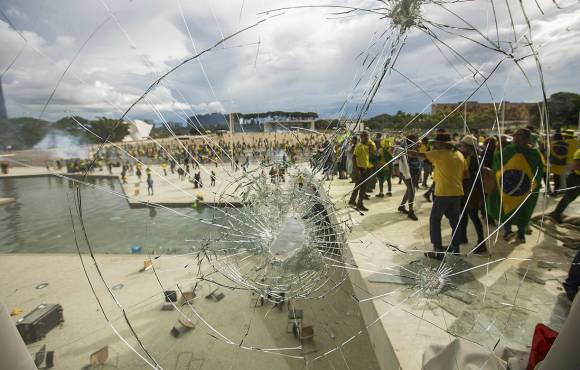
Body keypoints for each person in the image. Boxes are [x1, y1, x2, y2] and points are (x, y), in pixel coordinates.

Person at [411, 133, 467, 259]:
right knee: (455, 222)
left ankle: (438, 250)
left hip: (443, 193)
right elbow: (465, 173)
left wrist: (402, 151)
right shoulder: (459, 155)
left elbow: (417, 155)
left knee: (435, 220)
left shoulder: (440, 154)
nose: (434, 144)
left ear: (442, 144)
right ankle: (455, 247)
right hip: (457, 193)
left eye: (436, 143)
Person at [486, 128, 543, 245]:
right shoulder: (534, 153)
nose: (517, 138)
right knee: (523, 209)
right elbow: (539, 171)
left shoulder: (508, 150)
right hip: (524, 189)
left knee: (506, 208)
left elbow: (497, 161)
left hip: (508, 188)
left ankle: (508, 232)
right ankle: (520, 235)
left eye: (518, 136)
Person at [457, 135, 487, 254]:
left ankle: (481, 243)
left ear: (468, 147)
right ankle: (463, 237)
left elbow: (473, 177)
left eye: (462, 145)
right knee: (464, 214)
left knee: (473, 215)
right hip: (468, 190)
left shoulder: (475, 158)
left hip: (473, 191)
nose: (461, 147)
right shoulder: (471, 156)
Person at [550, 149, 580, 223]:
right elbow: (575, 165)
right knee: (569, 197)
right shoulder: (579, 152)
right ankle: (556, 213)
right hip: (576, 178)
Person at [348, 131, 375, 211]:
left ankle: (354, 201)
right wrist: (357, 170)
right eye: (365, 137)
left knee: (361, 187)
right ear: (361, 137)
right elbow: (354, 157)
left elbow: (370, 154)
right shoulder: (359, 146)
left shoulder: (366, 145)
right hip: (360, 169)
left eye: (368, 137)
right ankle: (357, 203)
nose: (367, 138)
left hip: (365, 168)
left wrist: (370, 148)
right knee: (361, 187)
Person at [394, 137, 418, 220]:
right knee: (412, 191)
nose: (417, 142)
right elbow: (395, 159)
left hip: (413, 172)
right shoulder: (402, 149)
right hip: (405, 172)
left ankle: (401, 206)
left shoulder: (414, 148)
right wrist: (397, 171)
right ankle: (411, 212)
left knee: (409, 190)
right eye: (415, 141)